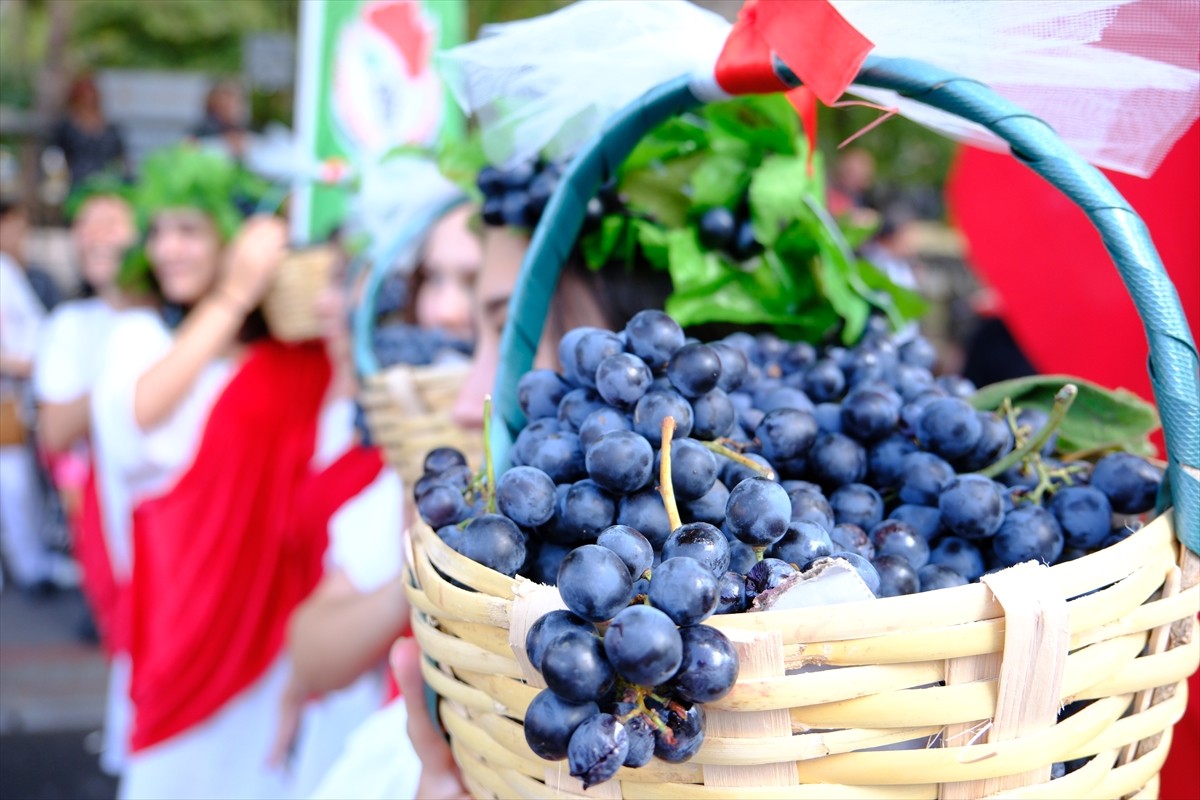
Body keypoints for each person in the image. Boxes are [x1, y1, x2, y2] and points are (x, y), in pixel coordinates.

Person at [88, 144, 327, 800]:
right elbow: (138, 417)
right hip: (173, 624)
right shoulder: (137, 337)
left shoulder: (284, 359)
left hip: (270, 633)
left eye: (190, 229)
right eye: (159, 230)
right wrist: (234, 291)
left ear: (235, 234)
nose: (168, 249)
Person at [282, 201, 483, 799]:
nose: (441, 309)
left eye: (474, 287)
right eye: (433, 280)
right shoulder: (423, 462)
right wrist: (425, 573)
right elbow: (311, 654)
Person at [31, 182, 139, 770]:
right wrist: (131, 380)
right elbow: (54, 432)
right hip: (108, 512)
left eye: (109, 221)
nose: (93, 235)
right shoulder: (71, 325)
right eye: (83, 225)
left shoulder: (175, 314)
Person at [0, 198, 55, 596]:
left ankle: (32, 564)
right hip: (9, 392)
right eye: (16, 228)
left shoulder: (9, 270)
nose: (22, 237)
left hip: (16, 394)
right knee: (14, 485)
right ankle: (30, 568)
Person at [51, 75, 128, 189]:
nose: (88, 100)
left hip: (109, 180)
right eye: (84, 96)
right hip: (77, 182)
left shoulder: (111, 128)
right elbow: (57, 158)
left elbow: (120, 157)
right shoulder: (65, 127)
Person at [192, 80, 251, 160]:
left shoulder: (241, 128)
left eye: (237, 102)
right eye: (228, 102)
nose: (234, 107)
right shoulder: (205, 128)